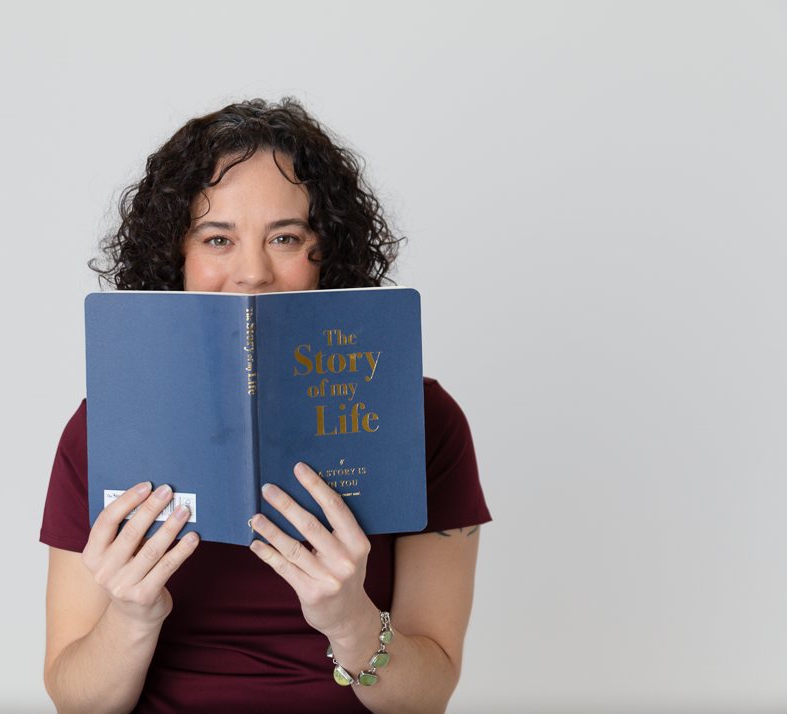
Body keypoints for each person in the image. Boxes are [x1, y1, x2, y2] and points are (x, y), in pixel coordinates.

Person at [40, 98, 490, 714]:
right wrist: (131, 614)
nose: (252, 273)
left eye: (285, 237)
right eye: (217, 238)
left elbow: (426, 698)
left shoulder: (425, 420)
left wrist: (349, 619)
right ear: (177, 257)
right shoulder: (105, 428)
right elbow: (75, 700)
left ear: (325, 252)